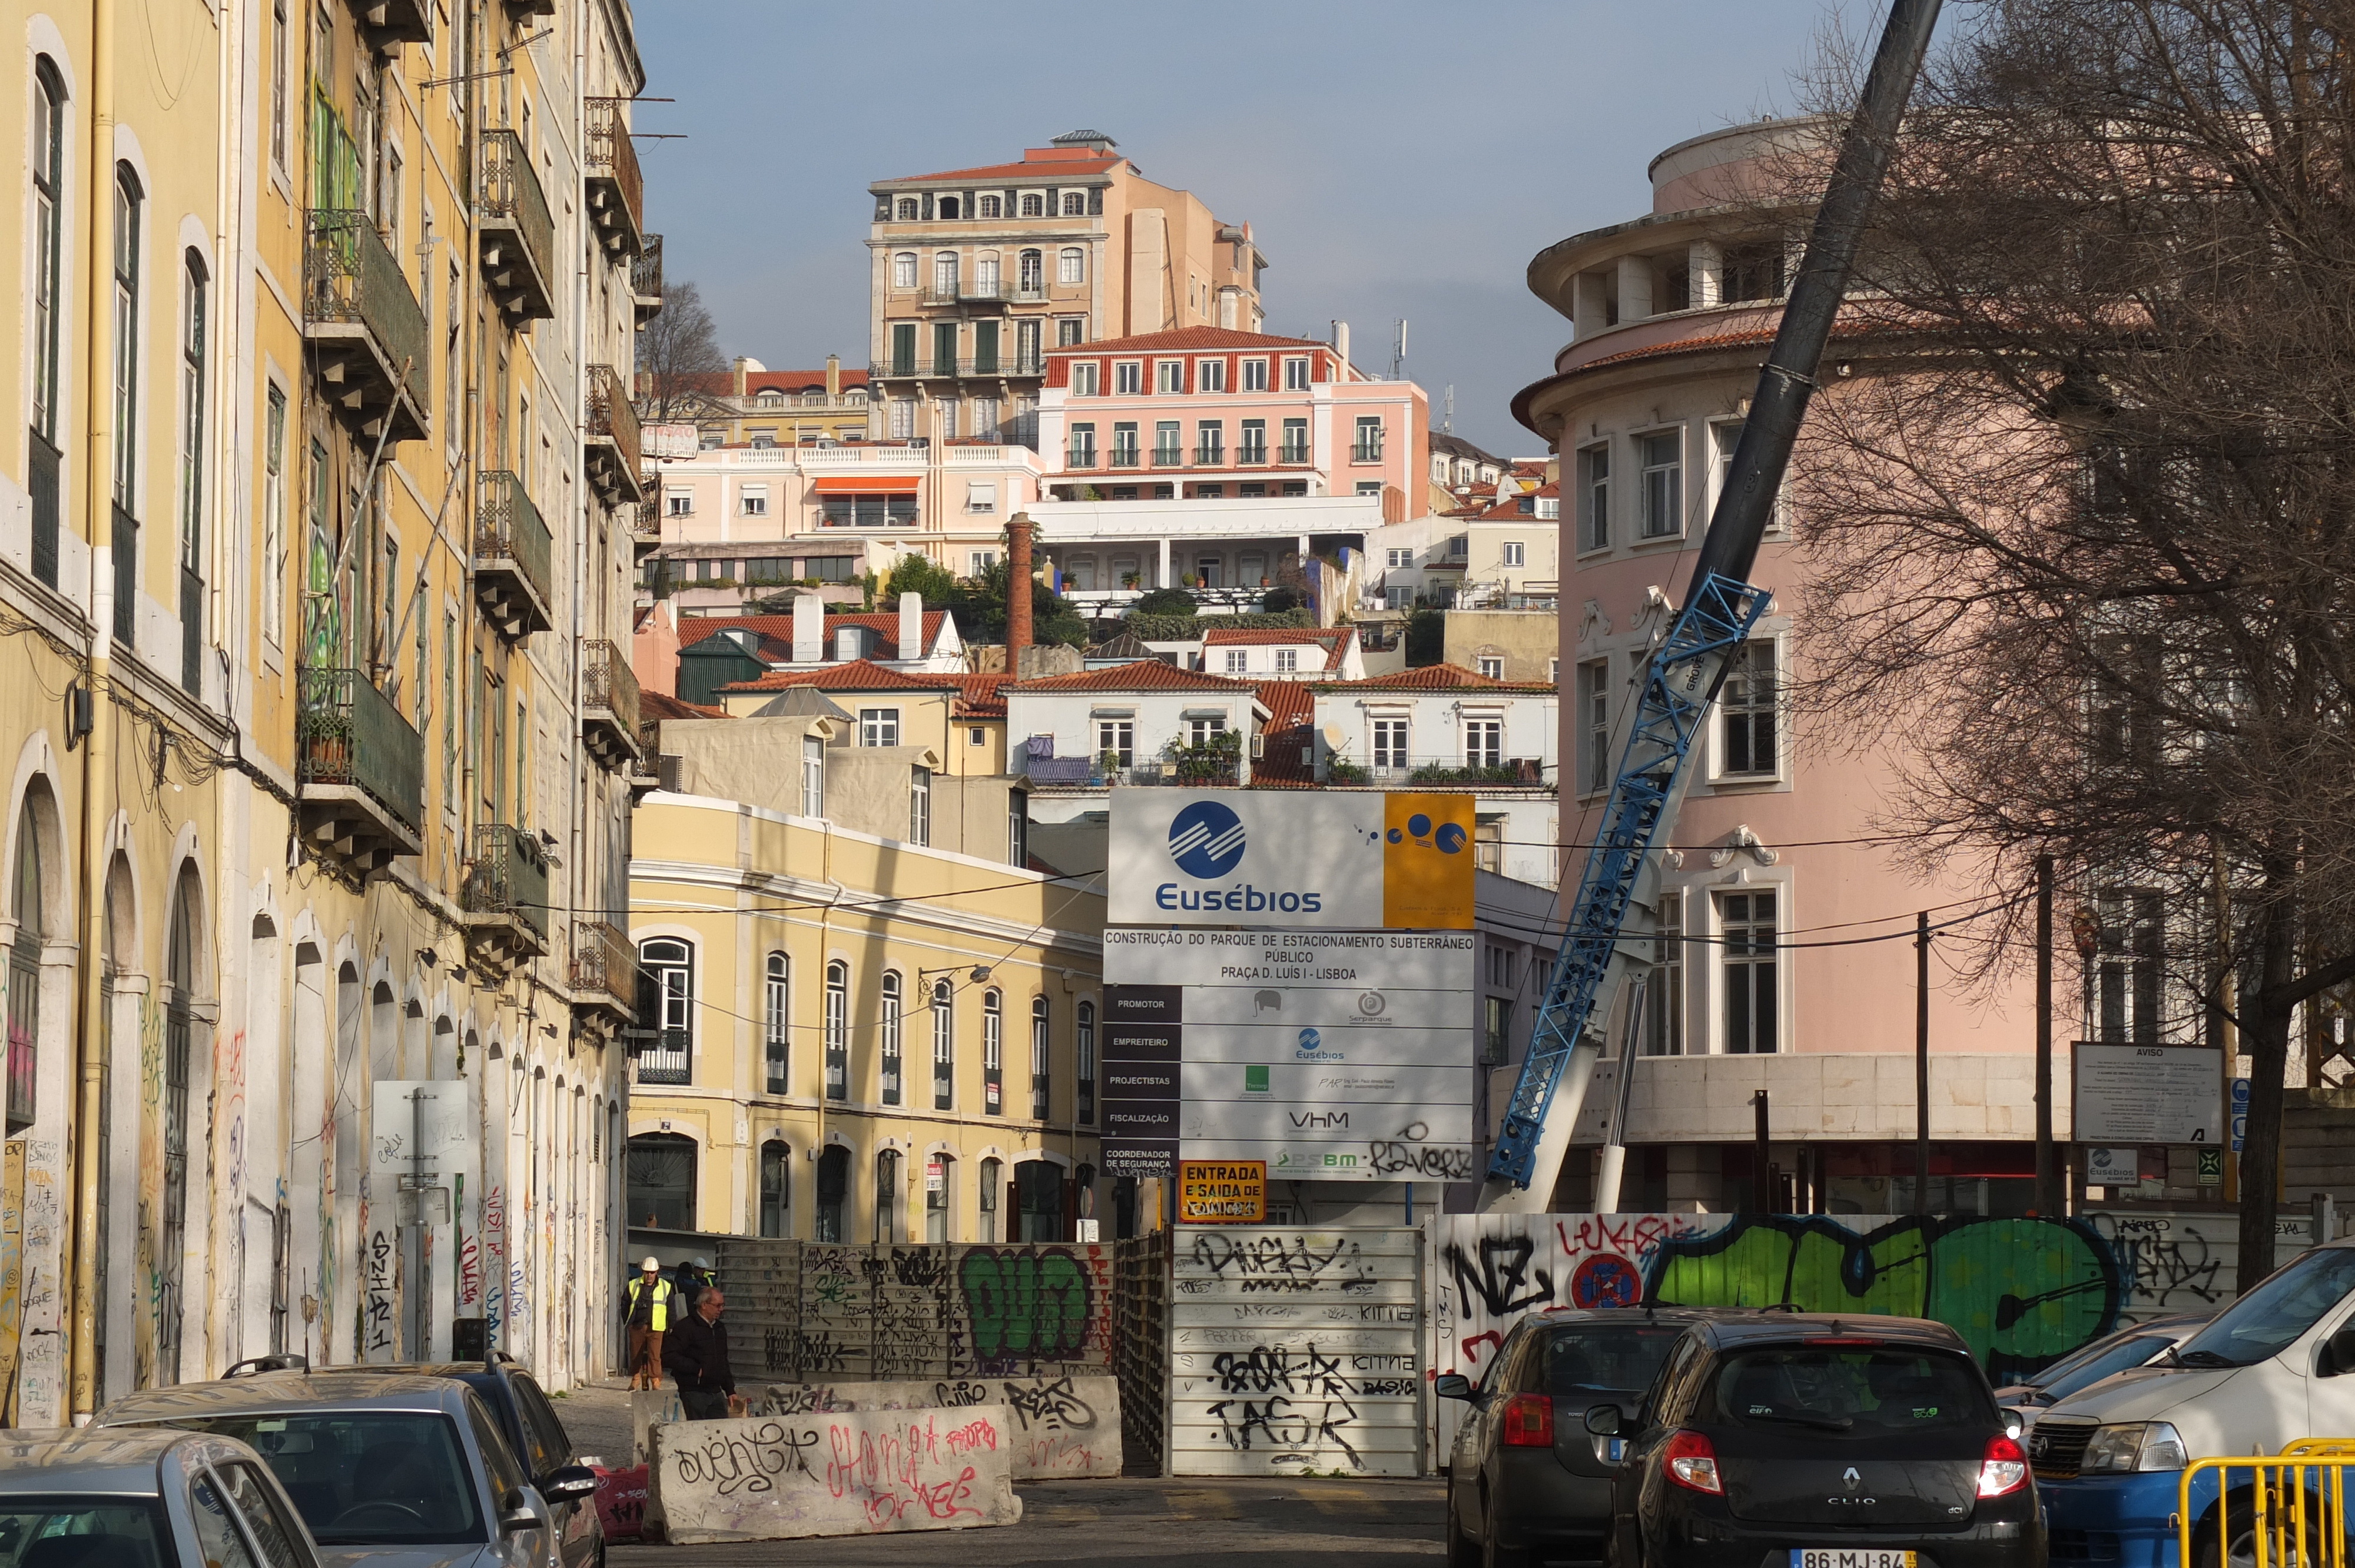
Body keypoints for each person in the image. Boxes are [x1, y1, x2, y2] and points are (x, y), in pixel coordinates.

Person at [663, 1285, 742, 1420]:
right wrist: (696, 1369)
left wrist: (730, 1390)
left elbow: (723, 1360)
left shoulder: (719, 1328)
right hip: (694, 1391)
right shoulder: (686, 1327)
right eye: (718, 1306)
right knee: (698, 1432)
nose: (721, 1310)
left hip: (716, 1391)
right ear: (704, 1305)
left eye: (723, 1305)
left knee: (720, 1432)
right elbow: (669, 1355)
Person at [621, 1257, 679, 1391]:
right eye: (647, 1272)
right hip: (637, 1326)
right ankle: (636, 1379)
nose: (649, 1275)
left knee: (655, 1356)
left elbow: (671, 1307)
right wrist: (628, 1323)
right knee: (636, 1354)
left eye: (652, 1272)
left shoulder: (666, 1286)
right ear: (643, 1271)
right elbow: (624, 1304)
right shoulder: (633, 1284)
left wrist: (672, 1326)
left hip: (656, 1327)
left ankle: (656, 1381)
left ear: (657, 1272)